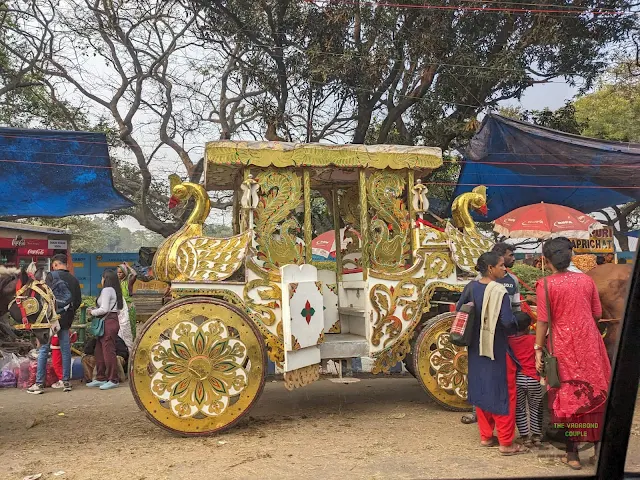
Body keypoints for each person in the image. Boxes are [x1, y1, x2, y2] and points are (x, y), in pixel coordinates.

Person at [535, 237, 611, 470]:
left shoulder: (545, 284)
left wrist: (538, 349)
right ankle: (599, 452)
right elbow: (597, 313)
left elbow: (543, 322)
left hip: (563, 347)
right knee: (596, 392)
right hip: (590, 344)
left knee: (569, 395)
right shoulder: (586, 281)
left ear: (546, 260)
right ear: (571, 257)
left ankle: (573, 454)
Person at [456, 252, 525, 455]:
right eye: (502, 265)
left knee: (482, 387)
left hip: (476, 348)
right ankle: (506, 442)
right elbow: (506, 322)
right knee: (503, 392)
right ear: (490, 268)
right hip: (497, 348)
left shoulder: (470, 287)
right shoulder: (499, 291)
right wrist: (517, 323)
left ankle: (486, 437)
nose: (505, 269)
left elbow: (460, 310)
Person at [26, 264, 74, 394]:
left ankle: (40, 383)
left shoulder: (40, 287)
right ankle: (66, 382)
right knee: (64, 350)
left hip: (49, 321)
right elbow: (69, 299)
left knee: (43, 351)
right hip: (61, 320)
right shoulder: (59, 283)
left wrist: (52, 308)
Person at [508, 311, 543, 447]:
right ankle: (536, 436)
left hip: (518, 380)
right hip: (534, 379)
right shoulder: (534, 340)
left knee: (520, 409)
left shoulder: (509, 341)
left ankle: (525, 437)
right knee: (536, 408)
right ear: (529, 326)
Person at [87, 269, 123, 390]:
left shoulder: (107, 290)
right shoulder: (114, 290)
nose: (101, 280)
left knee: (108, 351)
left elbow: (104, 309)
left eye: (102, 278)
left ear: (105, 278)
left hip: (108, 322)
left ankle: (113, 379)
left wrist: (92, 312)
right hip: (110, 321)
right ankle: (100, 377)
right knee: (99, 350)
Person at [117, 263, 137, 347]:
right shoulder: (117, 283)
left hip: (129, 308)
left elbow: (135, 274)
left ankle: (131, 345)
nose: (118, 274)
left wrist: (128, 267)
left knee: (130, 327)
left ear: (125, 273)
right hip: (120, 308)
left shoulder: (128, 282)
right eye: (117, 272)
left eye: (121, 272)